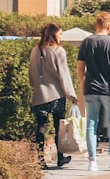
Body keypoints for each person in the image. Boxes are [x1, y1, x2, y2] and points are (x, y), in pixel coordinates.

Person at [77, 11, 110, 172]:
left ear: (96, 24)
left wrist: (82, 84)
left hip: (91, 88)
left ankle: (92, 161)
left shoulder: (86, 43)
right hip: (109, 89)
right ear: (109, 26)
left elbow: (80, 68)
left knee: (91, 124)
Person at [29, 22, 79, 169]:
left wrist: (36, 86)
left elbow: (32, 73)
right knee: (59, 127)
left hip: (40, 95)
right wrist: (71, 94)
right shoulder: (58, 51)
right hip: (57, 94)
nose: (61, 36)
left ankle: (40, 159)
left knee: (41, 126)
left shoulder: (35, 50)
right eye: (60, 33)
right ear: (53, 34)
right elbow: (64, 75)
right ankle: (60, 157)